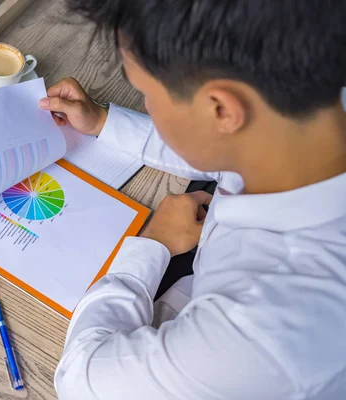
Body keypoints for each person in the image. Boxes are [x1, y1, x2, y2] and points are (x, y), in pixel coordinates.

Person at [38, 1, 346, 399]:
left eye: (146, 92)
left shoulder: (252, 335)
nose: (146, 102)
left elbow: (81, 380)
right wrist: (104, 122)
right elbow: (236, 140)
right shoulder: (316, 109)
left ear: (220, 108)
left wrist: (151, 247)